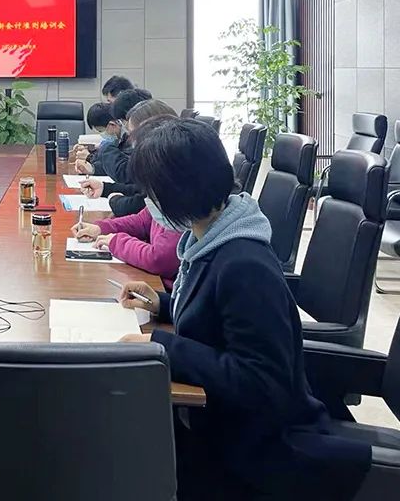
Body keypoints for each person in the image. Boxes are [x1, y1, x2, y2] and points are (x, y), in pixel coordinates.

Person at [115, 118, 371, 500]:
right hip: (223, 429)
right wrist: (163, 304)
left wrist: (162, 347)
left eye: (151, 193)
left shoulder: (243, 263)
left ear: (177, 193)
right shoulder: (211, 237)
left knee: (122, 452)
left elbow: (260, 382)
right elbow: (218, 317)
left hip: (257, 454)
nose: (148, 202)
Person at [80, 101, 177, 216]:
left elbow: (139, 204)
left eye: (133, 134)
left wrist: (115, 200)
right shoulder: (159, 160)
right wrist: (105, 189)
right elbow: (140, 190)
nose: (130, 139)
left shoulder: (167, 165)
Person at [75, 87, 151, 178]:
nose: (123, 125)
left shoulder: (145, 143)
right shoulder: (129, 138)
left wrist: (91, 157)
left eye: (122, 121)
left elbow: (124, 171)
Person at [72, 102, 114, 174]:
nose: (101, 134)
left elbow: (111, 164)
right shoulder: (110, 139)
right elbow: (103, 147)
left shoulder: (123, 141)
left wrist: (89, 157)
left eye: (101, 131)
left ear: (112, 124)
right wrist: (89, 148)